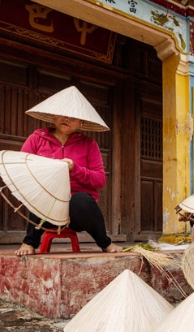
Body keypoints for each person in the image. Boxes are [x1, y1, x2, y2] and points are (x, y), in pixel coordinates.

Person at [15, 87, 121, 256]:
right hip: (46, 211)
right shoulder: (36, 139)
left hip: (76, 214)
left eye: (73, 116)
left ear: (81, 122)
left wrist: (75, 169)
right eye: (62, 114)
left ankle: (105, 242)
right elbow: (22, 169)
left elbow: (100, 180)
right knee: (42, 194)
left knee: (81, 199)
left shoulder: (89, 144)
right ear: (53, 116)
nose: (66, 119)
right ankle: (29, 242)